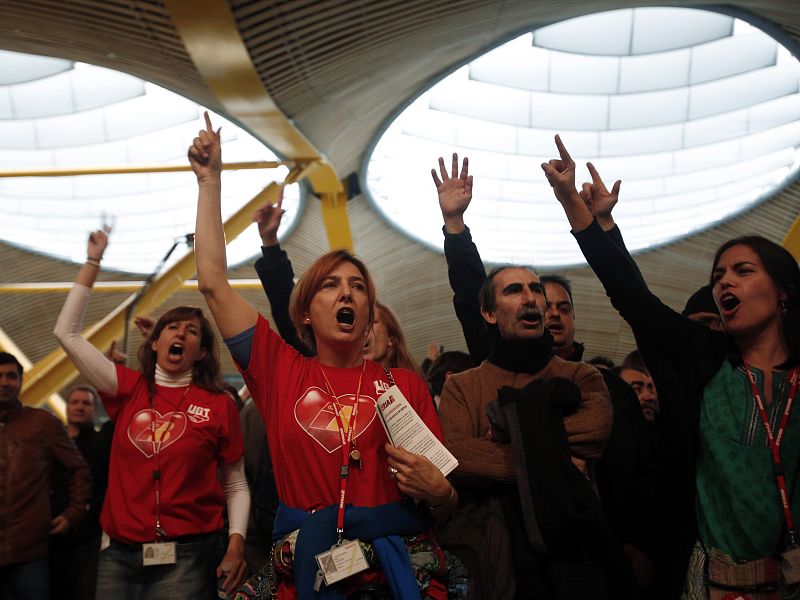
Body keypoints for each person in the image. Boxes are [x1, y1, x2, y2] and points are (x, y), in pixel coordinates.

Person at [190, 112, 454, 598]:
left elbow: (442, 495)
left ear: (369, 311)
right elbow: (212, 282)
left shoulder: (403, 387)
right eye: (330, 286)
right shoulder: (278, 369)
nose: (346, 294)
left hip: (391, 577)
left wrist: (441, 492)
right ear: (306, 313)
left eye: (357, 287)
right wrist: (210, 181)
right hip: (307, 571)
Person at [543, 134, 800, 599]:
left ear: (783, 291)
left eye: (743, 271)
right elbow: (632, 297)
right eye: (718, 274)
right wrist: (576, 207)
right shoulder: (702, 358)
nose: (725, 281)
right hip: (711, 583)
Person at [432, 152, 656, 596]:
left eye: (536, 289)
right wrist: (552, 455)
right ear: (489, 314)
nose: (532, 299)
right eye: (514, 290)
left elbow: (595, 432)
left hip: (585, 564)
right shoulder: (463, 386)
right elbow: (456, 456)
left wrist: (502, 439)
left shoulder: (585, 379)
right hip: (495, 562)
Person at [54, 228, 250, 599]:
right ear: (155, 342)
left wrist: (236, 544)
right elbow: (67, 333)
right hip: (120, 554)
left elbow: (236, 483)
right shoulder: (126, 388)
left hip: (191, 553)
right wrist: (93, 261)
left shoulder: (218, 404)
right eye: (172, 327)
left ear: (202, 352)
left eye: (192, 331)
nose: (181, 334)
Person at [252, 192, 421, 373]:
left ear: (392, 338)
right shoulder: (312, 379)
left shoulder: (412, 389)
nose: (347, 294)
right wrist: (270, 243)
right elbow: (288, 307)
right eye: (331, 285)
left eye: (373, 321)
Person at [0, 352, 91, 600]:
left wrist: (73, 513)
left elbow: (78, 469)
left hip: (30, 550)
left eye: (11, 376)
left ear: (20, 381)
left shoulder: (43, 423)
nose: (4, 382)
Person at [50, 385, 112, 600]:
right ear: (67, 407)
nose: (79, 407)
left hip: (87, 533)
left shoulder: (101, 443)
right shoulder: (51, 443)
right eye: (75, 402)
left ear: (95, 410)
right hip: (51, 530)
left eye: (86, 403)